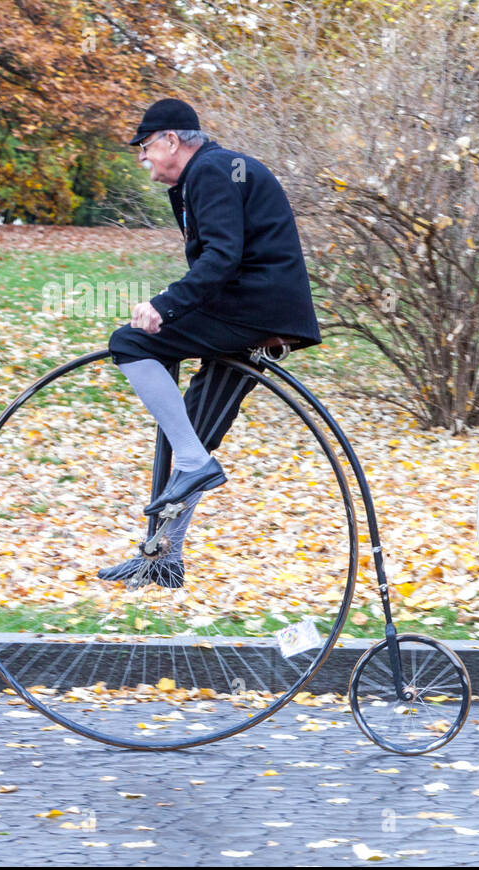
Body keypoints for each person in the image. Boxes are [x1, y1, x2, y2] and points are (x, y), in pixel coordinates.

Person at [99, 98, 320, 587]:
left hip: (252, 308)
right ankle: (164, 556)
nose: (142, 158)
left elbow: (222, 256)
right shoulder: (202, 176)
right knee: (192, 432)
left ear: (172, 141)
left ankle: (197, 466)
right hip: (256, 314)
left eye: (145, 147)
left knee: (130, 343)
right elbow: (221, 257)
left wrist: (165, 305)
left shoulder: (211, 171)